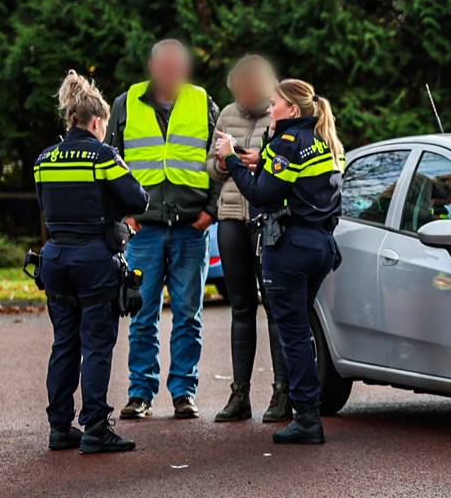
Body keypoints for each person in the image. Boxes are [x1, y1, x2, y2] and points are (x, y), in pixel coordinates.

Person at [214, 78, 344, 445]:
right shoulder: (323, 140)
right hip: (321, 244)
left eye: (275, 104)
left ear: (293, 110)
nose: (270, 109)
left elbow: (261, 192)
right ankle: (305, 411)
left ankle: (306, 418)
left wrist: (229, 159)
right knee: (299, 328)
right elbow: (286, 177)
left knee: (294, 335)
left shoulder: (287, 142)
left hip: (290, 247)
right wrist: (253, 159)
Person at [33, 72, 148, 454]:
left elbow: (45, 202)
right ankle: (96, 426)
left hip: (55, 260)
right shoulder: (103, 155)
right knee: (97, 344)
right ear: (97, 121)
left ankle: (59, 426)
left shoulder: (44, 159)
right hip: (95, 259)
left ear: (70, 119)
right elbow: (138, 199)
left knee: (64, 342)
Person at [115, 38, 220, 421]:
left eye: (178, 66)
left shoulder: (202, 102)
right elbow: (111, 163)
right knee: (142, 316)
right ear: (153, 67)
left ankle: (183, 393)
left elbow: (220, 158)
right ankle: (140, 393)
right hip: (144, 230)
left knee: (189, 315)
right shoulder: (125, 104)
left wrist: (211, 212)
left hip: (191, 228)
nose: (172, 72)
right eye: (165, 65)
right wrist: (124, 216)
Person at [210, 54, 291, 424]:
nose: (242, 98)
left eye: (247, 91)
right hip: (230, 219)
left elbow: (284, 164)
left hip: (266, 219)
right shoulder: (226, 114)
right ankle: (239, 394)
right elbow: (210, 168)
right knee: (240, 307)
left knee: (274, 307)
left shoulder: (278, 114)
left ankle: (282, 392)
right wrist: (224, 162)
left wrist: (254, 160)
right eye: (236, 92)